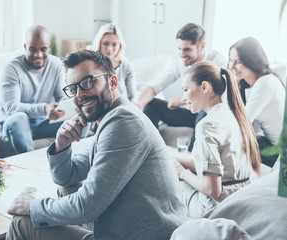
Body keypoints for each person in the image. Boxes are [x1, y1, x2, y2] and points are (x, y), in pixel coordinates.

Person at [6, 50, 188, 240]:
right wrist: (61, 145)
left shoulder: (124, 121)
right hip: (126, 225)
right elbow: (66, 177)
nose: (80, 94)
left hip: (146, 235)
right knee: (67, 190)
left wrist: (34, 206)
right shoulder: (113, 119)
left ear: (113, 82)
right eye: (73, 88)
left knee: (22, 223)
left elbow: (87, 206)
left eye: (87, 82)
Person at [173, 61, 261, 218]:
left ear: (204, 87)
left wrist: (182, 173)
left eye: (186, 90)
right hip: (240, 199)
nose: (184, 98)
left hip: (214, 208)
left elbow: (213, 189)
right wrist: (175, 158)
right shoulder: (233, 114)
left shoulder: (206, 126)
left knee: (174, 184)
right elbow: (219, 166)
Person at [136, 23, 227, 151]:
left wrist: (182, 100)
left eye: (187, 49)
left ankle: (191, 155)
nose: (181, 54)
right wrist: (138, 104)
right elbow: (155, 85)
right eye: (179, 49)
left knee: (203, 110)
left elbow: (216, 97)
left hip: (208, 112)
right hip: (191, 112)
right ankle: (152, 150)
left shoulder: (217, 61)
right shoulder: (180, 63)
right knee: (151, 105)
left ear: (201, 46)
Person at [0, 25, 66, 154]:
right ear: (25, 47)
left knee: (80, 118)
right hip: (15, 123)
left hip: (42, 123)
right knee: (19, 118)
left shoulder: (56, 64)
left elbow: (62, 97)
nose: (38, 55)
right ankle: (32, 166)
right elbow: (12, 108)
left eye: (43, 49)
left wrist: (62, 108)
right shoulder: (10, 68)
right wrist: (45, 108)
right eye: (32, 49)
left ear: (49, 47)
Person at [229, 37, 285, 167]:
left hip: (280, 152)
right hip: (269, 143)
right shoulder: (249, 84)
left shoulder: (265, 82)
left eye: (237, 62)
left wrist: (234, 86)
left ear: (252, 61)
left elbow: (241, 122)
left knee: (235, 139)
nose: (231, 67)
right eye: (231, 61)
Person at [92, 23, 137, 102]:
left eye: (114, 44)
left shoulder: (126, 66)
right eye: (106, 44)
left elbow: (132, 98)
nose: (109, 48)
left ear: (120, 45)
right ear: (99, 43)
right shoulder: (91, 64)